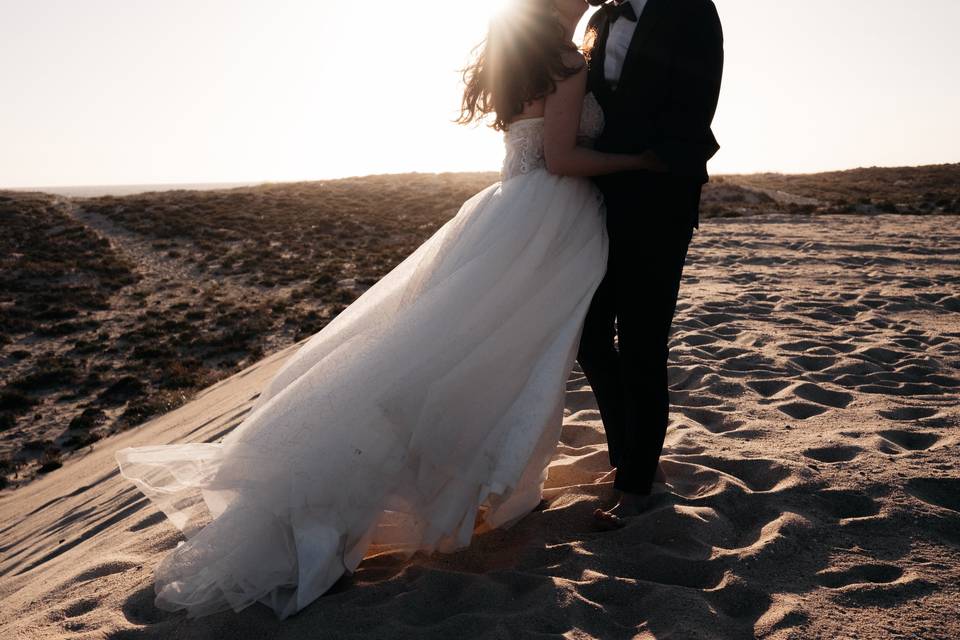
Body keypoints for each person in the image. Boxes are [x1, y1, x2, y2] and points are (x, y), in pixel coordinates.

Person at [115, 0, 663, 620]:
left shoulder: (516, 53)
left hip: (510, 210)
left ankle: (469, 482)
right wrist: (638, 161)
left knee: (472, 353)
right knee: (505, 357)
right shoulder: (564, 58)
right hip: (545, 219)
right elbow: (562, 158)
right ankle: (454, 487)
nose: (586, 2)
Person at [576, 0, 724, 529]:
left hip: (660, 199)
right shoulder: (598, 22)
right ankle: (629, 456)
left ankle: (636, 486)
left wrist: (642, 161)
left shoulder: (690, 10)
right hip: (592, 203)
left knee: (641, 342)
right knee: (591, 337)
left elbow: (696, 101)